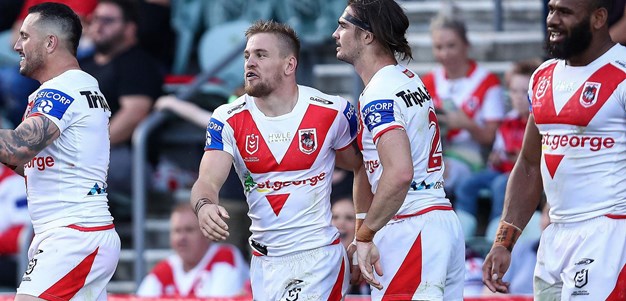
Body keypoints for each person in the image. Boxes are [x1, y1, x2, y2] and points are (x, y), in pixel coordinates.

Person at [191, 20, 364, 300]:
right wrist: (204, 206)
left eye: (261, 55)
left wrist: (363, 233)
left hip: (317, 257)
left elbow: (360, 165)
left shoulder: (332, 111)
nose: (250, 62)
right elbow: (207, 180)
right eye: (247, 55)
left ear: (289, 65)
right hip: (263, 262)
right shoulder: (228, 118)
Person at [482, 0, 626, 299]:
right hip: (555, 236)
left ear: (598, 18)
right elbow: (528, 165)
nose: (552, 20)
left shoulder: (622, 72)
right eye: (550, 10)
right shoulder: (542, 77)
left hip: (609, 235)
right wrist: (503, 242)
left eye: (565, 12)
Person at [333, 1, 465, 299]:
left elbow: (399, 172)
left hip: (410, 225)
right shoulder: (407, 79)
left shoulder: (379, 93)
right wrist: (361, 229)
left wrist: (365, 235)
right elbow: (368, 168)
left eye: (343, 25)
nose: (335, 33)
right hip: (437, 217)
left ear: (368, 35)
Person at [7, 3, 120, 300]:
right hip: (79, 233)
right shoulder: (80, 86)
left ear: (50, 42)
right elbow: (30, 162)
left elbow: (17, 150)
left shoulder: (62, 90)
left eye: (25, 36)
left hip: (73, 236)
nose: (17, 45)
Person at [80, 0, 163, 198]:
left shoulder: (137, 63)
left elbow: (134, 114)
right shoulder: (82, 64)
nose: (98, 26)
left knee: (69, 177)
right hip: (85, 155)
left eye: (108, 20)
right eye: (96, 19)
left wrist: (85, 149)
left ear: (129, 28)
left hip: (127, 158)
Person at [422, 13, 506, 194]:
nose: (445, 53)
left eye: (451, 46)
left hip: (472, 156)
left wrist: (466, 124)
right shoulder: (429, 80)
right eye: (438, 47)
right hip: (435, 154)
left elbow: (490, 138)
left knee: (438, 175)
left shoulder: (487, 81)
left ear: (466, 45)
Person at [454, 59, 541, 228]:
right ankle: (463, 230)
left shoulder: (539, 122)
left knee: (501, 185)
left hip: (524, 176)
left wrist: (519, 157)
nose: (519, 98)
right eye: (514, 91)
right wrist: (495, 158)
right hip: (501, 171)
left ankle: (498, 229)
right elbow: (498, 151)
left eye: (525, 92)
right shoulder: (508, 120)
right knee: (468, 184)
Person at [137, 203, 249, 297]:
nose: (182, 238)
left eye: (189, 230)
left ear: (207, 232)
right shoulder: (164, 270)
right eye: (177, 231)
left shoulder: (225, 257)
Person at [331, 196, 370, 296]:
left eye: (349, 218)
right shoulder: (316, 266)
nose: (341, 223)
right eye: (334, 217)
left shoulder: (372, 267)